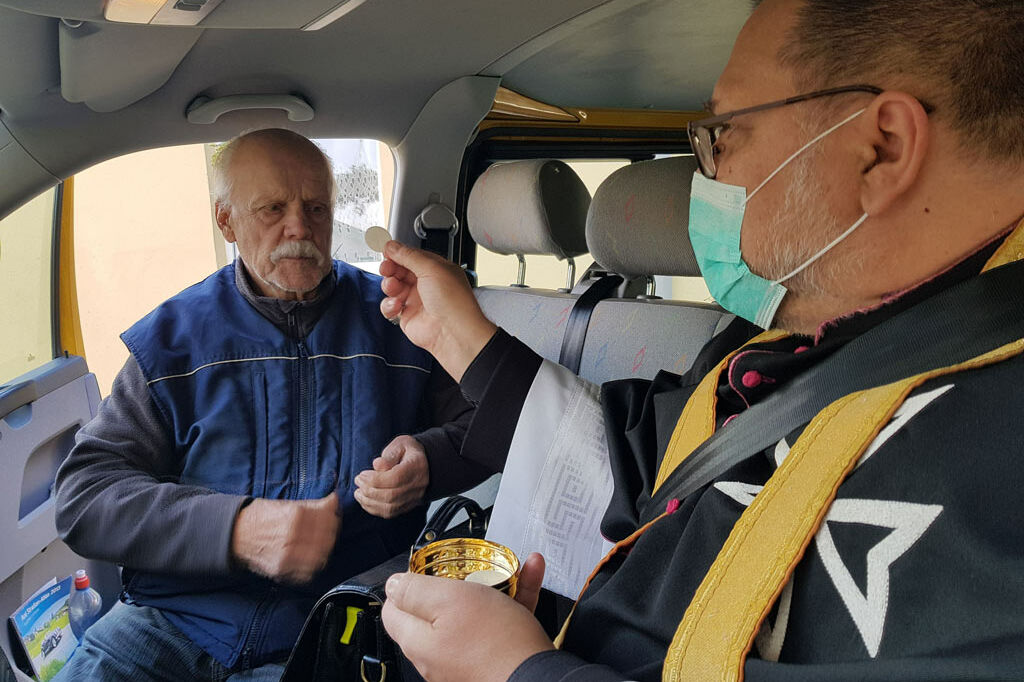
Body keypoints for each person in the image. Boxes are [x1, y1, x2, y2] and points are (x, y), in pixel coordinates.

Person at [372, 0, 1024, 680]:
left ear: (880, 148)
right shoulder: (772, 349)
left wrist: (516, 671)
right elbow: (645, 469)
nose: (705, 174)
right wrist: (455, 332)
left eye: (723, 133)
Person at [52, 129, 484, 681]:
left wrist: (429, 460)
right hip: (169, 620)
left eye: (316, 207)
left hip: (331, 622)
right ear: (226, 221)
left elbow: (487, 424)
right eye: (272, 208)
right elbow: (84, 497)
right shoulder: (172, 342)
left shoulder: (399, 320)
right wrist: (235, 529)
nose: (299, 228)